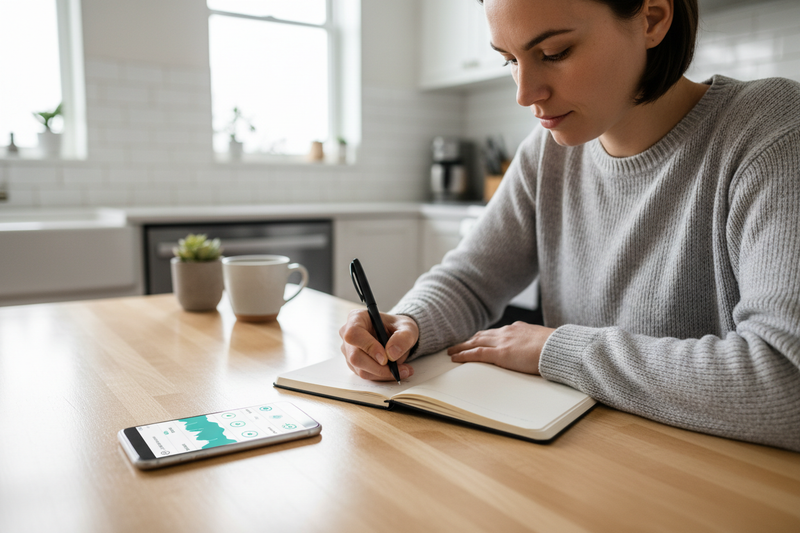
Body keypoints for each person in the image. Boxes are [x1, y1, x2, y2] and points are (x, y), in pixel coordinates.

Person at [340, 0, 800, 452]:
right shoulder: (546, 154)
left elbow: (785, 378)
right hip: (582, 458)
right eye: (510, 61)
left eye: (554, 53)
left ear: (653, 18)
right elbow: (469, 280)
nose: (524, 93)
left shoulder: (771, 129)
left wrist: (556, 349)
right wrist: (410, 321)